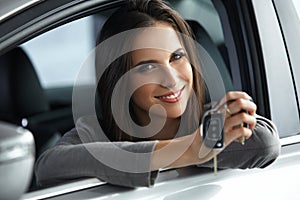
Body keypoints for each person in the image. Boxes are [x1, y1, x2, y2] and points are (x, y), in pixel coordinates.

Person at [35, 0, 281, 188]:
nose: (171, 79)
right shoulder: (96, 131)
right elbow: (48, 167)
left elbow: (265, 142)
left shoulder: (213, 121)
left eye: (177, 57)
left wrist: (202, 142)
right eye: (148, 67)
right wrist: (189, 150)